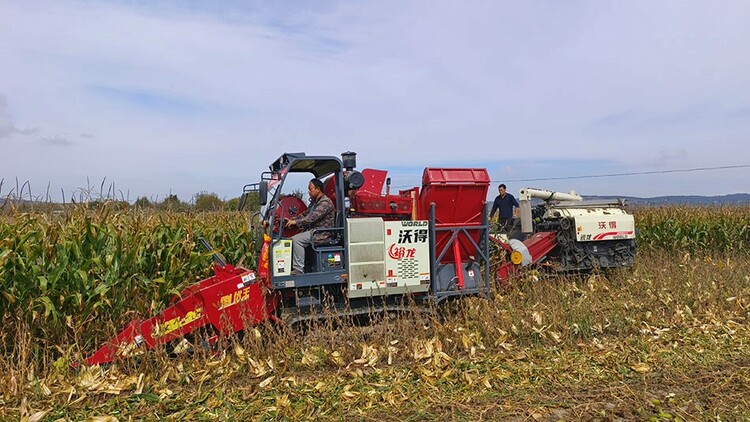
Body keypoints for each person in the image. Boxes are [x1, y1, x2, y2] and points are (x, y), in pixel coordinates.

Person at [284, 178, 335, 275]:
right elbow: (305, 214)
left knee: (296, 240)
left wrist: (296, 222)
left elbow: (312, 218)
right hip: (314, 231)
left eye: (310, 189)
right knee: (291, 238)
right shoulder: (315, 202)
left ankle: (299, 269)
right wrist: (292, 219)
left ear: (318, 189)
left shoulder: (325, 203)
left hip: (322, 233)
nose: (308, 191)